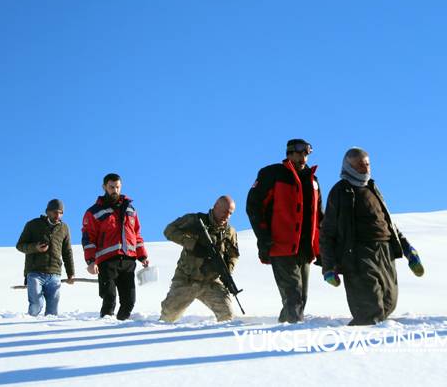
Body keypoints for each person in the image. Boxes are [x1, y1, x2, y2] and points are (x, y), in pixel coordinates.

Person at [320, 148, 424, 325]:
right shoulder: (340, 191)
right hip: (358, 253)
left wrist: (409, 250)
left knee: (389, 302)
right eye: (360, 165)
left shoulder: (372, 187)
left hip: (385, 251)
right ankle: (351, 346)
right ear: (348, 166)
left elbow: (388, 222)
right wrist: (328, 267)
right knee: (369, 308)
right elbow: (327, 231)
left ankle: (375, 345)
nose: (365, 168)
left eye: (367, 164)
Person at [246, 138, 323, 323]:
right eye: (298, 153)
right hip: (280, 245)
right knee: (293, 297)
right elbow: (253, 206)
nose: (303, 157)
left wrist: (321, 248)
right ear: (289, 153)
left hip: (305, 248)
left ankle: (283, 329)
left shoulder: (313, 180)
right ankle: (292, 340)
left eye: (306, 153)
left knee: (299, 299)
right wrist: (263, 237)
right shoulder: (272, 174)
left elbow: (319, 217)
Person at [159, 196, 240, 323]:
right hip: (187, 279)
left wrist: (227, 270)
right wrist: (192, 244)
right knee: (167, 317)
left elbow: (233, 255)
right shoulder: (195, 220)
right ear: (216, 207)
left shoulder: (230, 232)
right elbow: (169, 230)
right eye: (225, 211)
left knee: (227, 316)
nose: (227, 216)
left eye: (230, 213)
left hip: (212, 281)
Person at [81, 173, 149, 320]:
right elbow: (88, 238)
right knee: (109, 297)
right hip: (106, 261)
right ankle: (105, 325)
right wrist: (91, 261)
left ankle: (120, 327)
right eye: (111, 187)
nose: (115, 190)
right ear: (104, 187)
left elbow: (136, 234)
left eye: (117, 187)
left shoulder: (131, 210)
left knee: (129, 301)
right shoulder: (93, 212)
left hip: (128, 261)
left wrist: (142, 256)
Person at [16, 199, 75, 316]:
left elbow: (67, 252)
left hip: (55, 274)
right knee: (36, 304)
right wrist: (35, 247)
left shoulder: (64, 228)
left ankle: (49, 332)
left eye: (60, 212)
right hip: (35, 273)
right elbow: (20, 245)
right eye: (55, 212)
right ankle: (29, 328)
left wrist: (71, 273)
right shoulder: (32, 225)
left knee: (52, 312)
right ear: (47, 211)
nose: (58, 215)